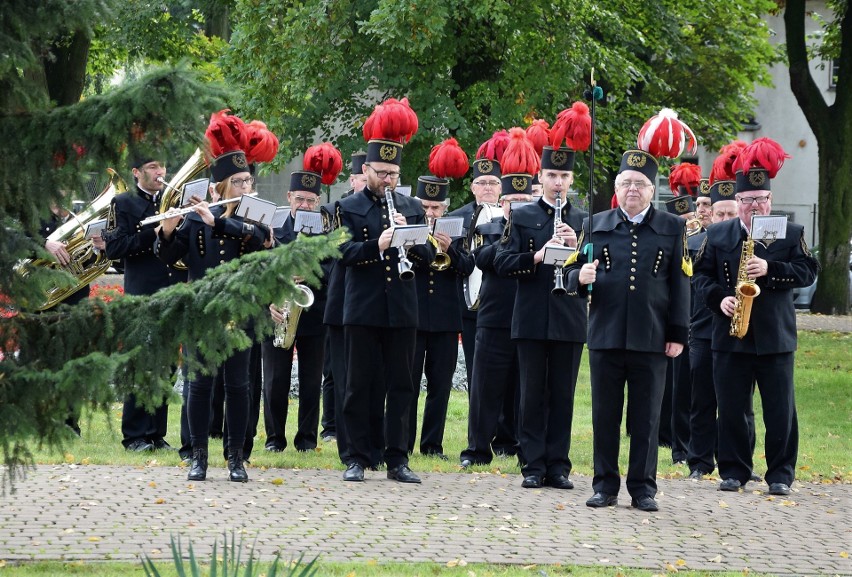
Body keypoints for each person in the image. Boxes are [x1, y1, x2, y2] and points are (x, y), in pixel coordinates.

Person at [567, 143, 691, 512]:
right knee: (605, 416)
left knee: (646, 419)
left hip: (652, 337)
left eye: (640, 183)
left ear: (653, 190)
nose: (632, 189)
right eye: (626, 183)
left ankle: (643, 488)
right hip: (606, 335)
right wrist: (580, 276)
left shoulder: (672, 227)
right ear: (616, 189)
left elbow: (680, 282)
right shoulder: (596, 224)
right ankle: (605, 485)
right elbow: (571, 275)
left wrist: (677, 333)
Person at [156, 111, 276, 482]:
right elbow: (170, 259)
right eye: (238, 182)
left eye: (247, 181)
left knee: (239, 386)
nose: (245, 187)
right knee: (200, 384)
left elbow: (261, 242)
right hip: (202, 314)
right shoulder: (194, 218)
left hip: (242, 313)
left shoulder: (255, 217)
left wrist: (218, 221)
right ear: (220, 186)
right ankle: (198, 457)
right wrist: (166, 231)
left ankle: (236, 457)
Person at [693, 137, 818, 496]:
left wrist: (771, 268)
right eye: (746, 201)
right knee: (732, 408)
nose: (753, 207)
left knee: (780, 409)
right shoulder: (717, 234)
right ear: (738, 202)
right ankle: (734, 470)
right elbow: (700, 276)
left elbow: (809, 271)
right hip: (730, 333)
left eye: (760, 201)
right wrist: (720, 300)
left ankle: (780, 474)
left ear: (770, 202)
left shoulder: (791, 233)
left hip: (775, 336)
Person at [335, 98, 434, 483]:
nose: (388, 179)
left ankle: (398, 459)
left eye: (393, 172)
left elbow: (427, 254)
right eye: (381, 172)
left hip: (403, 308)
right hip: (363, 307)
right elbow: (342, 253)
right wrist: (378, 244)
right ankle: (356, 457)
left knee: (402, 385)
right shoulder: (347, 206)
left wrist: (409, 241)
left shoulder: (410, 206)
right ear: (366, 169)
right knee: (358, 384)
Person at [494, 134, 588, 490]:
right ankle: (532, 465)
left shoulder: (583, 220)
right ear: (541, 178)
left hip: (569, 316)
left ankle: (558, 466)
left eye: (564, 177)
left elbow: (596, 268)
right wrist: (536, 256)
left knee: (562, 395)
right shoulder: (522, 215)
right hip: (532, 315)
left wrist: (574, 248)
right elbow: (502, 262)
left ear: (571, 181)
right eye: (552, 176)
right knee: (531, 394)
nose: (558, 182)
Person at [104, 156, 188, 453]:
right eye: (153, 167)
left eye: (162, 166)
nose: (160, 172)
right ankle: (135, 435)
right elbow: (114, 248)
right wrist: (154, 231)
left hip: (171, 291)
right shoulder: (123, 203)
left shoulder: (172, 201)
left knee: (166, 366)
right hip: (142, 293)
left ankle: (156, 433)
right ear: (137, 172)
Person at [263, 145, 339, 453]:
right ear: (289, 199)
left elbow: (333, 269)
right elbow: (260, 268)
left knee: (311, 383)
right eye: (300, 199)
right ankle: (274, 439)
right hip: (278, 313)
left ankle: (306, 440)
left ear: (318, 201)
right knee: (275, 381)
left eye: (311, 200)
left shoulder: (326, 231)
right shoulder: (274, 230)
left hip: (314, 312)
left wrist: (308, 274)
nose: (305, 204)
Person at [459, 161, 532, 468]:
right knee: (485, 388)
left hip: (527, 317)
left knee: (522, 388)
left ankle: (513, 443)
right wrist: (510, 242)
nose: (517, 207)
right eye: (512, 202)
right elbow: (481, 258)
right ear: (503, 203)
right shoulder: (489, 227)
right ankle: (477, 449)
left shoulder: (539, 230)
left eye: (523, 201)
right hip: (493, 316)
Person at [408, 170, 471, 460]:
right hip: (414, 315)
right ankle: (403, 443)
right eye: (425, 207)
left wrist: (450, 250)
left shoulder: (456, 229)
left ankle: (432, 444)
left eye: (435, 207)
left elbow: (468, 266)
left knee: (440, 385)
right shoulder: (410, 228)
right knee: (407, 383)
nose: (430, 212)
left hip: (446, 318)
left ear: (444, 208)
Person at [448, 132, 506, 391]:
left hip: (503, 305)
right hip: (468, 307)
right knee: (475, 371)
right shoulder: (456, 217)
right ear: (472, 187)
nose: (488, 188)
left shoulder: (516, 215)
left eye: (493, 182)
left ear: (501, 187)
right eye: (482, 183)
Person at [320, 152, 368, 445]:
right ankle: (334, 428)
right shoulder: (335, 210)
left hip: (367, 305)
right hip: (340, 300)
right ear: (354, 179)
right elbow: (329, 254)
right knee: (337, 374)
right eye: (364, 179)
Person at [661, 193, 699, 464]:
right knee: (679, 390)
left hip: (709, 323)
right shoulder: (681, 241)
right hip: (684, 321)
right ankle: (680, 447)